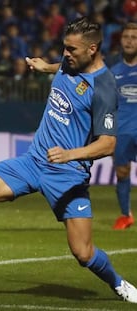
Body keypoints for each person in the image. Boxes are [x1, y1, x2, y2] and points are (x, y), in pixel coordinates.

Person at [0, 17, 137, 303]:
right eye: (64, 48)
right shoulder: (71, 61)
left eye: (72, 49)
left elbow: (108, 144)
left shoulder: (105, 87)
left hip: (68, 174)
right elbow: (65, 67)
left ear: (92, 49)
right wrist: (46, 67)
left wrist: (70, 154)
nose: (66, 54)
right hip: (33, 161)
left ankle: (119, 284)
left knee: (83, 253)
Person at [110, 23, 137, 230]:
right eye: (126, 36)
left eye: (134, 37)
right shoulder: (114, 72)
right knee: (122, 172)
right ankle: (125, 215)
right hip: (122, 130)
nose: (129, 40)